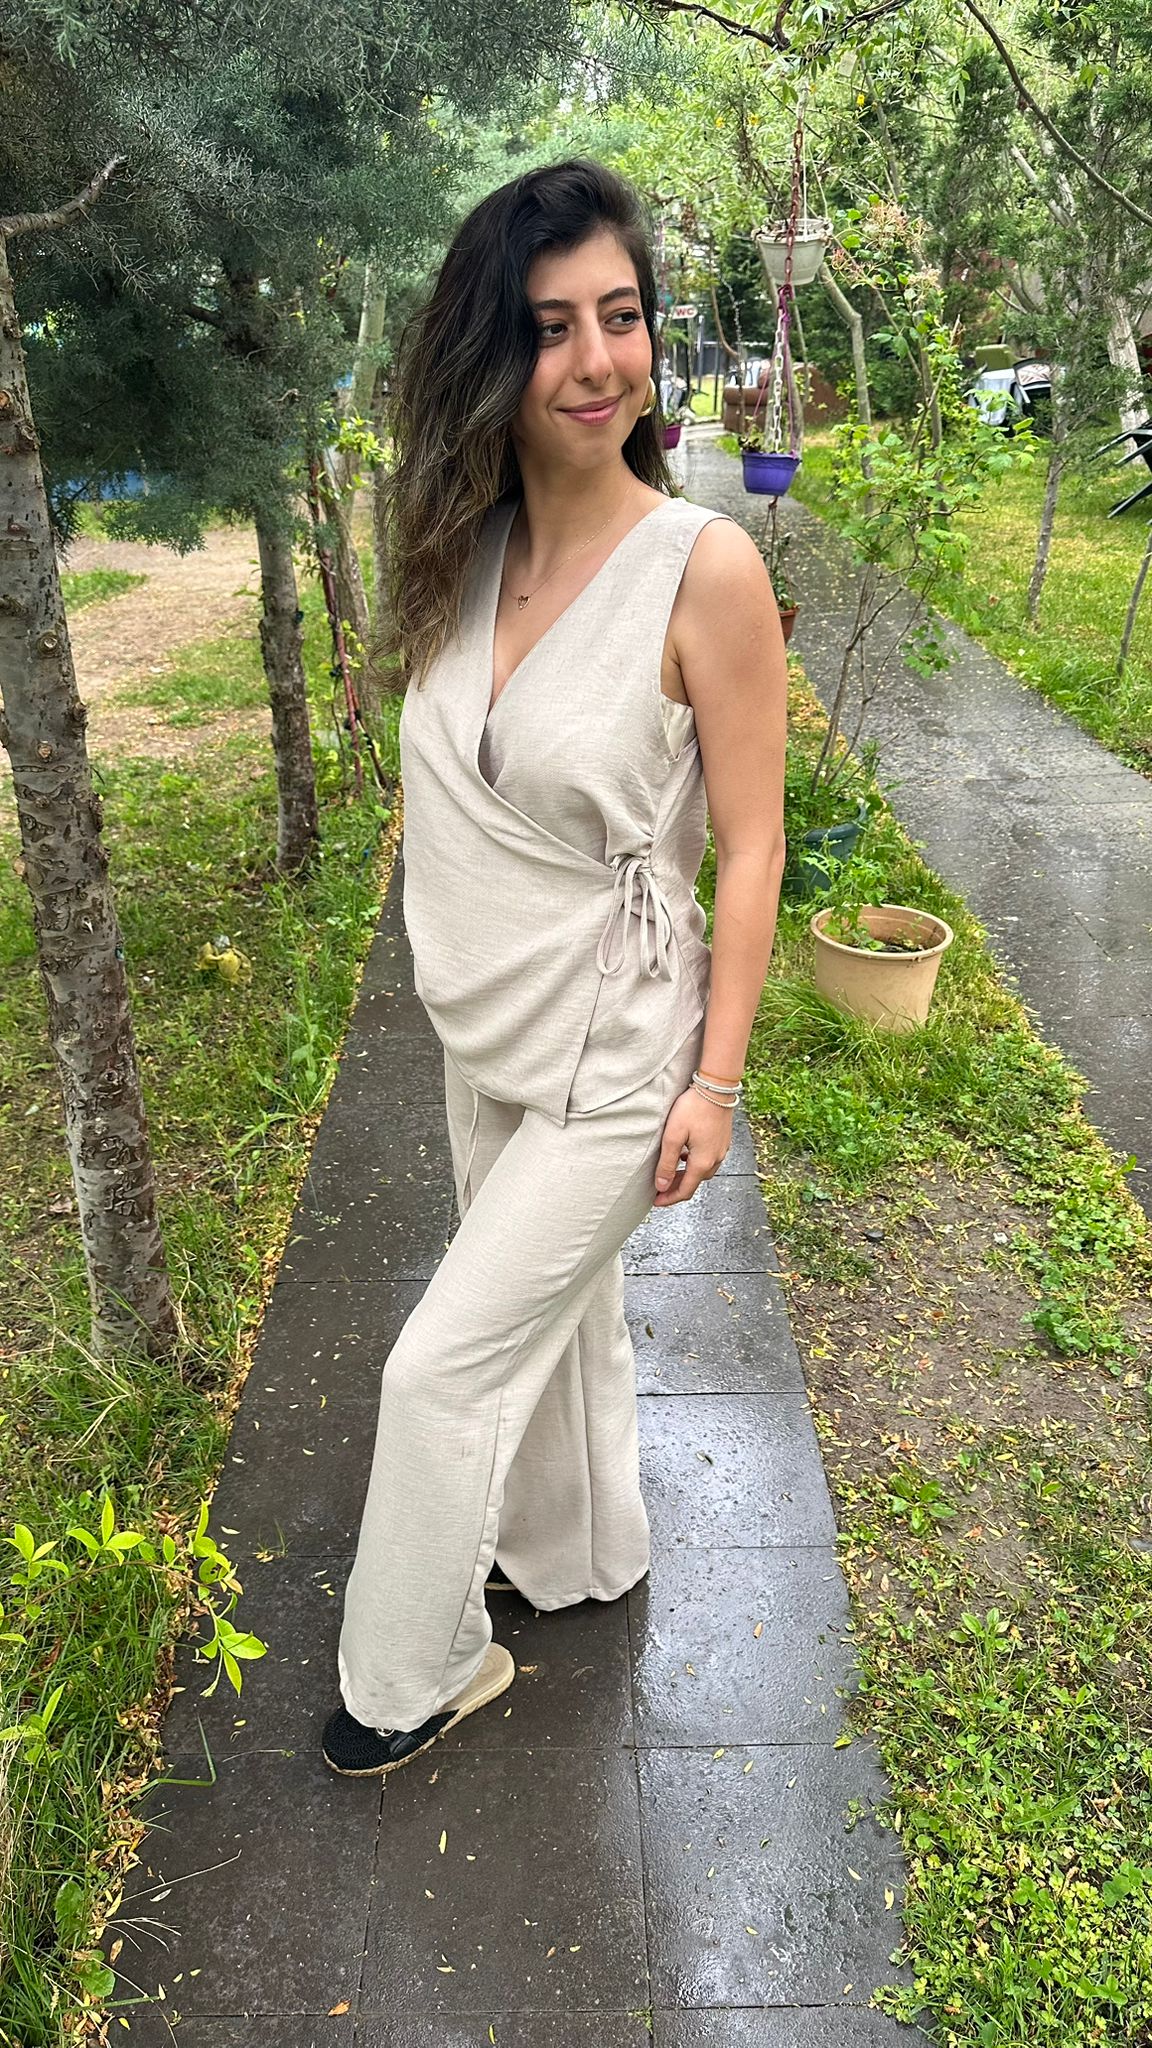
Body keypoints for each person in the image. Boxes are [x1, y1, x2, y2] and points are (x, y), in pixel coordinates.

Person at [322, 158, 787, 1778]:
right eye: (550, 326)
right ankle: (580, 1554)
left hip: (618, 1051)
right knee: (560, 1324)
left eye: (623, 316)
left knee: (438, 1370)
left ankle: (409, 1675)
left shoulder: (703, 570)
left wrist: (715, 1083)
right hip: (489, 1020)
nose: (598, 360)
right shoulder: (469, 551)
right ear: (490, 354)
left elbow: (751, 848)